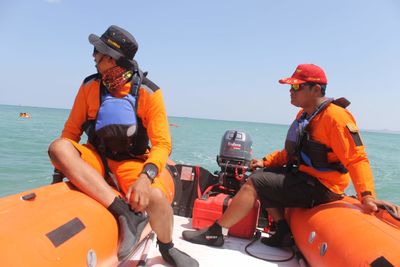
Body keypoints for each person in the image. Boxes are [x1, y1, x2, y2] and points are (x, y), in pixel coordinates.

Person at [182, 63, 399, 248]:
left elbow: (357, 157)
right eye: (291, 86)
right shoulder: (306, 115)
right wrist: (265, 161)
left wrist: (367, 196)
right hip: (306, 179)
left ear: (315, 89)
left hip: (323, 187)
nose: (291, 91)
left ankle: (215, 232)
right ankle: (283, 232)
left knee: (255, 182)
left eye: (296, 86)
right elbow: (291, 152)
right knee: (263, 173)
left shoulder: (336, 118)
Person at [48, 25, 198, 267]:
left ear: (111, 58)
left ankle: (167, 246)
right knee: (58, 148)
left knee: (157, 198)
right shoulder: (89, 87)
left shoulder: (149, 93)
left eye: (98, 51)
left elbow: (162, 144)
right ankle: (125, 213)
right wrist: (60, 173)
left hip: (131, 162)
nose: (93, 56)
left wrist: (145, 177)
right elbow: (71, 133)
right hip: (96, 158)